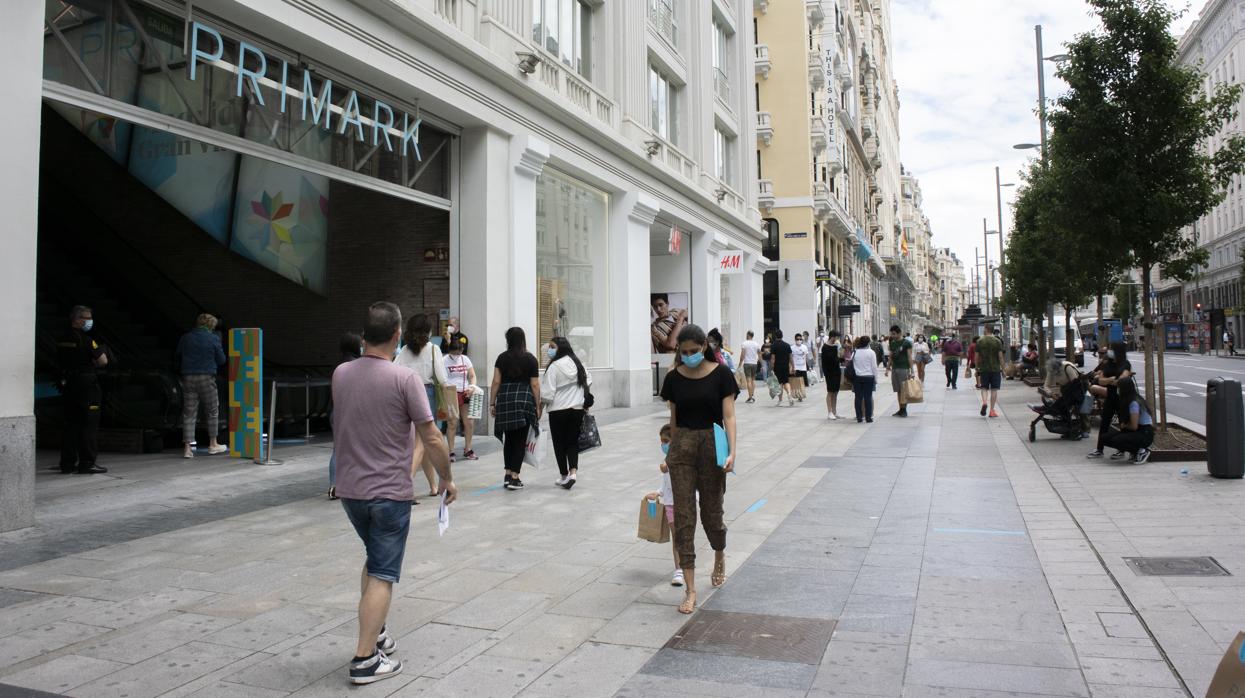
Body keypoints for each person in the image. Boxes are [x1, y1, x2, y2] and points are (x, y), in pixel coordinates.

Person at [332, 302, 456, 686]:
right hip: (388, 492)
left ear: (365, 333)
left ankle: (378, 630)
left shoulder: (341, 374)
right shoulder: (405, 380)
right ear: (397, 335)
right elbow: (431, 435)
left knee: (373, 559)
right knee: (384, 572)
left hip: (351, 491)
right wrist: (447, 479)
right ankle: (365, 659)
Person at [659, 324, 738, 614]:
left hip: (711, 445)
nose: (689, 356)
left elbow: (729, 415)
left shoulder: (721, 375)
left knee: (711, 513)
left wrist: (732, 452)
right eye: (684, 352)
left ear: (705, 345)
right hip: (682, 448)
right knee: (683, 516)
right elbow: (674, 418)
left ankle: (719, 552)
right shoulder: (673, 378)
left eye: (694, 351)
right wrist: (670, 453)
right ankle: (690, 589)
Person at [395, 314, 448, 495]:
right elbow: (442, 378)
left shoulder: (404, 351)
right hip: (425, 394)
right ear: (428, 332)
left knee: (421, 443)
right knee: (420, 443)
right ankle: (405, 486)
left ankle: (433, 486)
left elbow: (395, 371)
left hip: (405, 395)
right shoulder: (434, 349)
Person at [56, 305, 108, 474]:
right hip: (87, 386)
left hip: (69, 384)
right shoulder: (85, 339)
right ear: (77, 320)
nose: (89, 322)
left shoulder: (62, 337)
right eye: (87, 318)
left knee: (70, 424)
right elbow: (103, 361)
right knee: (88, 424)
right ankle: (87, 462)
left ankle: (67, 463)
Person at [490, 327, 541, 490]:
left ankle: (507, 473)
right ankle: (514, 477)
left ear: (508, 340)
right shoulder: (531, 359)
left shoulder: (502, 358)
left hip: (505, 400)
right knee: (520, 440)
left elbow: (496, 381)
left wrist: (492, 403)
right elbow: (534, 384)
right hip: (523, 400)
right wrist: (537, 405)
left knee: (509, 439)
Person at [174, 313, 228, 460]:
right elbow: (222, 360)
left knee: (189, 413)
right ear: (211, 326)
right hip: (206, 377)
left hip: (188, 377)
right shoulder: (213, 338)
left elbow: (179, 353)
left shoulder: (186, 337)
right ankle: (213, 444)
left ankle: (187, 449)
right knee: (212, 410)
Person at [542, 336, 590, 489]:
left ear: (560, 348)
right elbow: (588, 381)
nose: (549, 350)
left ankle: (564, 475)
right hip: (576, 409)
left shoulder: (554, 367)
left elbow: (547, 394)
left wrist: (539, 407)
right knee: (572, 442)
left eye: (552, 346)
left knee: (559, 443)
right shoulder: (578, 364)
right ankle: (573, 472)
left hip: (558, 411)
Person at [328, 331, 363, 500]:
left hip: (337, 411)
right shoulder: (358, 365)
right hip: (354, 412)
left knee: (338, 449)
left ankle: (334, 486)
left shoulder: (338, 366)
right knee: (358, 448)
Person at [1087, 342, 1134, 460]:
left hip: (1122, 399)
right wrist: (1111, 380)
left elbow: (1123, 379)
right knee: (1104, 423)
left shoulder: (1125, 364)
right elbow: (1101, 380)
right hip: (1110, 396)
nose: (1110, 352)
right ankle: (1099, 449)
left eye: (1113, 349)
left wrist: (1109, 380)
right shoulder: (1108, 364)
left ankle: (1122, 450)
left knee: (1123, 424)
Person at [655, 424, 684, 587]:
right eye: (661, 442)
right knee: (677, 537)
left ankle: (687, 564)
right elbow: (665, 483)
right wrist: (658, 493)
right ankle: (678, 570)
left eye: (666, 441)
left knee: (685, 536)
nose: (663, 445)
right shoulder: (665, 462)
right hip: (670, 504)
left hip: (685, 502)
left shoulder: (683, 459)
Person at [1101, 377, 1154, 464]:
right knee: (1105, 438)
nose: (1118, 390)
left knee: (1117, 440)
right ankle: (1134, 451)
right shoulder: (1127, 400)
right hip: (1136, 432)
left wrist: (1124, 425)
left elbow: (1134, 426)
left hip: (1144, 433)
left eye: (1119, 388)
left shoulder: (1134, 403)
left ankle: (1141, 451)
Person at [443, 333, 478, 462]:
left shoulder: (465, 359)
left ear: (462, 350)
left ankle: (468, 449)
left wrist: (472, 386)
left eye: (458, 353)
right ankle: (451, 451)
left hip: (466, 392)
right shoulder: (444, 360)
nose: (456, 356)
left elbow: (472, 375)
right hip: (451, 392)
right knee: (452, 423)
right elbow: (442, 378)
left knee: (469, 422)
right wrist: (447, 388)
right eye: (454, 354)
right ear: (449, 351)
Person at [975, 326, 1005, 418]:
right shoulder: (997, 341)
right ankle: (992, 411)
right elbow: (1000, 356)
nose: (983, 330)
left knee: (984, 387)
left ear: (987, 330)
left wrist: (977, 368)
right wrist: (1003, 369)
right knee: (994, 389)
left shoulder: (980, 341)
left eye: (984, 329)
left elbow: (976, 357)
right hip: (995, 369)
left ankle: (984, 402)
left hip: (984, 368)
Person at [850, 335, 879, 423]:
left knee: (858, 397)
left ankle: (859, 417)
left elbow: (851, 364)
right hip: (869, 377)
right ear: (868, 343)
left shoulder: (855, 352)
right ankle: (868, 417)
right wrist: (876, 378)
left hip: (857, 377)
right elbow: (874, 367)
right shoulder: (871, 352)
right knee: (868, 397)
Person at [888, 326, 913, 418]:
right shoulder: (892, 343)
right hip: (895, 368)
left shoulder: (907, 343)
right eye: (891, 334)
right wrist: (887, 368)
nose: (892, 336)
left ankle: (904, 410)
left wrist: (912, 371)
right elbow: (890, 356)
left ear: (899, 333)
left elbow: (910, 357)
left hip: (904, 368)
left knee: (903, 390)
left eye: (894, 334)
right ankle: (900, 409)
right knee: (898, 390)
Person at [821, 331, 843, 419]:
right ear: (832, 337)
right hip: (829, 373)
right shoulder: (825, 347)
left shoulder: (836, 346)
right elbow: (825, 362)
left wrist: (841, 356)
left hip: (837, 371)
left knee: (836, 392)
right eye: (836, 337)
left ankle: (834, 411)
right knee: (830, 392)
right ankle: (829, 412)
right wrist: (825, 373)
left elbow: (838, 358)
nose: (837, 339)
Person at [769, 330, 794, 406]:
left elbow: (773, 358)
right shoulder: (787, 345)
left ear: (775, 336)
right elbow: (790, 357)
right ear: (782, 336)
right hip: (785, 366)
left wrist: (772, 368)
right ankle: (789, 394)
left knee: (779, 383)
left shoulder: (774, 345)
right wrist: (793, 366)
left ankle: (780, 400)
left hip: (777, 367)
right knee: (786, 382)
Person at [739, 331, 761, 403]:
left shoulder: (744, 343)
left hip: (747, 363)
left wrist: (740, 364)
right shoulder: (757, 344)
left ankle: (750, 397)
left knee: (748, 381)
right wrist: (761, 363)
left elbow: (742, 355)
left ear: (748, 335)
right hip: (754, 364)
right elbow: (759, 354)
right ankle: (752, 394)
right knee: (753, 380)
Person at [791, 333, 811, 402]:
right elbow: (790, 358)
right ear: (795, 339)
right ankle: (799, 395)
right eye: (797, 339)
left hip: (803, 367)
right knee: (797, 382)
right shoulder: (792, 348)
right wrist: (791, 367)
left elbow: (806, 357)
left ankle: (801, 394)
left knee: (803, 383)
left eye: (800, 339)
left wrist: (808, 366)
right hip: (796, 367)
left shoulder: (804, 347)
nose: (799, 340)